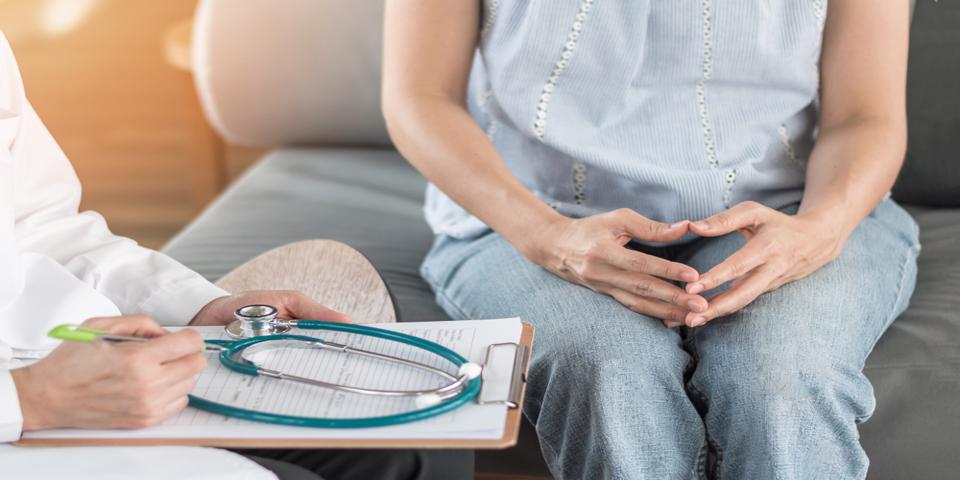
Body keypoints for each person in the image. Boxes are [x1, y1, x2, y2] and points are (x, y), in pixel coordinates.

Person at [382, 0, 918, 478]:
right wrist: (547, 236)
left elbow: (864, 116)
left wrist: (817, 232)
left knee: (778, 378)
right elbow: (419, 96)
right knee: (606, 370)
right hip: (529, 210)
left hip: (791, 207)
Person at [0, 32, 471, 480]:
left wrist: (198, 310)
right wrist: (30, 398)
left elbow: (39, 224)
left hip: (68, 361)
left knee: (416, 448)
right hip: (26, 409)